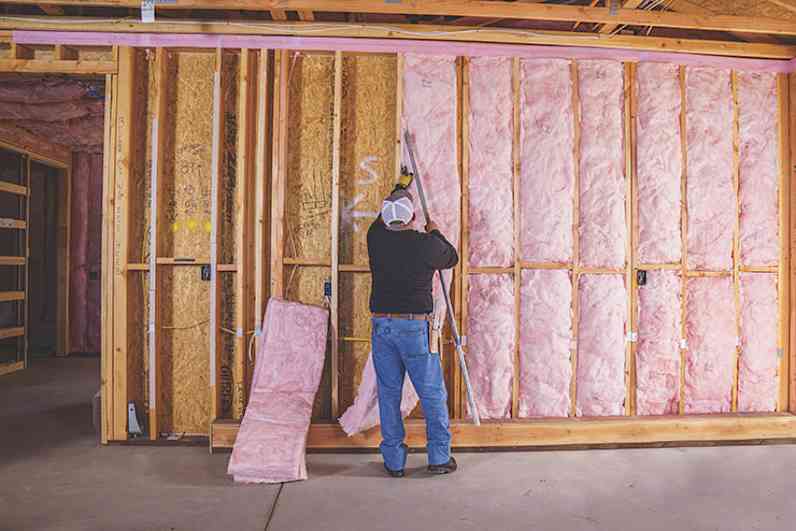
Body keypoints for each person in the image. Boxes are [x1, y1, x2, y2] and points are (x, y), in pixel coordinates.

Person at [366, 186, 459, 478]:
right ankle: (439, 458)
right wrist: (436, 232)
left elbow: (377, 223)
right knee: (431, 393)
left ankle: (394, 462)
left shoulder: (375, 239)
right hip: (414, 329)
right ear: (414, 216)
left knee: (389, 393)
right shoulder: (425, 245)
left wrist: (399, 187)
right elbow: (451, 257)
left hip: (382, 327)